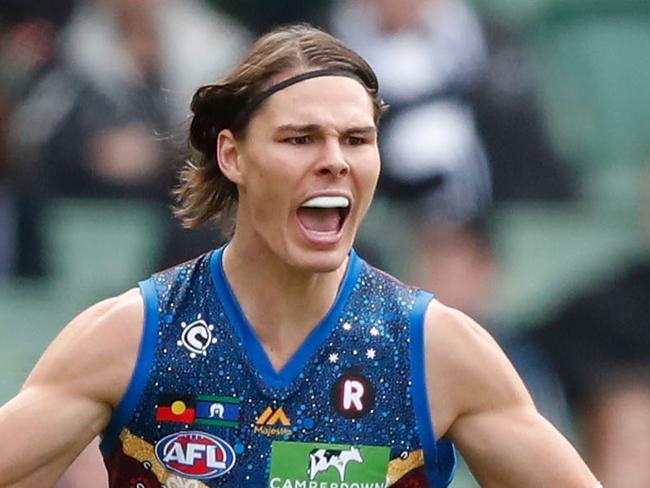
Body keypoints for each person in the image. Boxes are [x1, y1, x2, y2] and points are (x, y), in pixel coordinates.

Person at [0, 24, 600, 487]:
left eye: (357, 139)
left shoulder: (435, 350)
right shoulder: (133, 337)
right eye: (300, 138)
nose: (336, 159)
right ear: (232, 156)